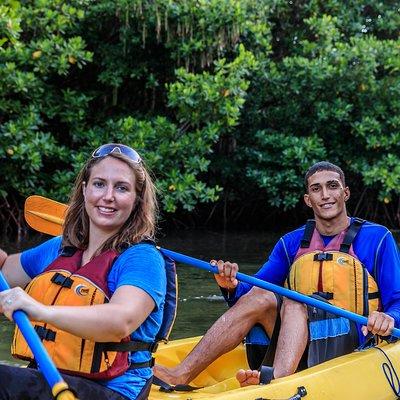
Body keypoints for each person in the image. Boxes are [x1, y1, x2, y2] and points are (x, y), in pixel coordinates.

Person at [154, 161, 400, 388]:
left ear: (345, 193)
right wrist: (229, 285)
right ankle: (181, 374)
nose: (325, 195)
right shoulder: (290, 243)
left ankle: (277, 382)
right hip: (302, 339)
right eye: (316, 189)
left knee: (294, 300)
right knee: (263, 294)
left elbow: (397, 303)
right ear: (307, 199)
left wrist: (388, 318)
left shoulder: (378, 239)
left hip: (353, 340)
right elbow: (248, 297)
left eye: (332, 186)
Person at [0, 143, 174, 400]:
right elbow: (6, 271)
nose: (108, 196)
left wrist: (40, 310)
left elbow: (120, 321)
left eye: (122, 188)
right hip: (52, 378)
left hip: (113, 391)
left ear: (137, 199)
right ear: (84, 190)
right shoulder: (60, 248)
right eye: (99, 184)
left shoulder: (143, 259)